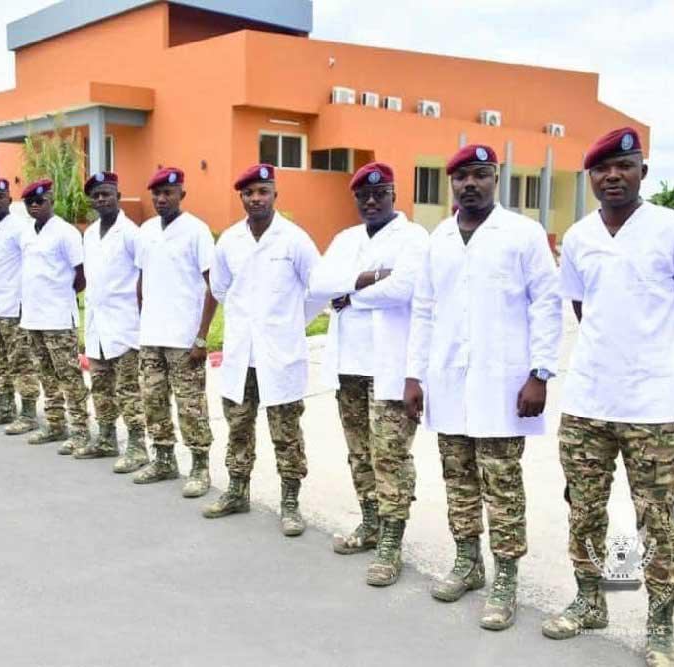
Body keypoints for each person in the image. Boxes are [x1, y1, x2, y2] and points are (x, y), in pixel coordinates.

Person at [542, 128, 674, 667]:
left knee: (655, 518)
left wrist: (664, 364)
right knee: (584, 510)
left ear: (643, 171)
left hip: (652, 411)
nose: (612, 175)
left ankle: (659, 625)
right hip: (588, 402)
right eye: (601, 168)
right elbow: (581, 308)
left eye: (624, 165)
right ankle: (592, 601)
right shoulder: (578, 237)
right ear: (590, 177)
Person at [403, 144, 562, 630]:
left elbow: (547, 303)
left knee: (503, 488)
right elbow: (424, 309)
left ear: (496, 179)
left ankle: (506, 579)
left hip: (503, 387)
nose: (469, 184)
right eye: (461, 177)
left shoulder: (523, 233)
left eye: (479, 175)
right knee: (459, 483)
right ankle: (468, 563)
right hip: (450, 384)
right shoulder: (440, 238)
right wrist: (414, 374)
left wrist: (540, 373)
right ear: (451, 184)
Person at [308, 162, 429, 586]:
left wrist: (350, 298)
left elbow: (405, 288)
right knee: (359, 453)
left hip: (390, 367)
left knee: (390, 456)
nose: (372, 201)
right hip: (348, 366)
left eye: (380, 193)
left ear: (394, 194)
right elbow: (320, 282)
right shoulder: (346, 238)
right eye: (364, 196)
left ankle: (391, 545)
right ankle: (371, 522)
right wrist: (371, 277)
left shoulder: (414, 238)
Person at [202, 163, 321, 536]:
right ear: (242, 197)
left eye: (263, 191)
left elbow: (316, 290)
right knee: (238, 427)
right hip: (241, 354)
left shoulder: (295, 239)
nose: (256, 198)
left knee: (285, 432)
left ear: (275, 195)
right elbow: (220, 290)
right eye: (249, 193)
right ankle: (237, 491)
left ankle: (290, 502)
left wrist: (289, 324)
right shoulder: (230, 241)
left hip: (280, 354)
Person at [133, 167, 216, 498]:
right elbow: (142, 279)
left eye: (168, 193)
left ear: (182, 194)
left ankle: (200, 466)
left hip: (184, 338)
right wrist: (143, 321)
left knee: (190, 405)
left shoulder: (197, 231)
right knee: (152, 400)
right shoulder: (147, 230)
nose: (161, 199)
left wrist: (201, 336)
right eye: (156, 193)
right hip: (152, 335)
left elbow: (214, 287)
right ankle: (164, 459)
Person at [17, 178, 92, 453]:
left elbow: (81, 276)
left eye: (40, 201)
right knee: (46, 375)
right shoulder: (27, 232)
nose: (35, 206)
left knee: (69, 376)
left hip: (58, 318)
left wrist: (61, 296)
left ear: (51, 201)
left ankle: (81, 431)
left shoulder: (66, 232)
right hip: (33, 316)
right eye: (29, 203)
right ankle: (55, 424)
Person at [76, 171, 146, 464]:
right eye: (96, 195)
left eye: (106, 193)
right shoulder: (90, 233)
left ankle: (137, 447)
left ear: (118, 196)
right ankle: (105, 439)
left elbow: (144, 275)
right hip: (96, 323)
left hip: (125, 323)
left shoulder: (131, 233)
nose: (101, 199)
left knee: (128, 389)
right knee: (101, 385)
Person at [0, 177, 40, 433]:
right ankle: (4, 407)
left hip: (12, 307)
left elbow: (30, 263)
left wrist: (26, 301)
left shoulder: (20, 227)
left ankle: (28, 414)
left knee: (21, 362)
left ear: (9, 199)